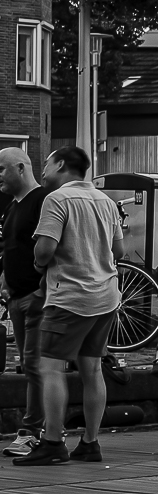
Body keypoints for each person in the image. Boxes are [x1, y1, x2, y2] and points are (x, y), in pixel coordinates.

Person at [15, 147, 123, 466]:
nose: (43, 169)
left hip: (70, 297)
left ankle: (52, 442)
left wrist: (37, 265)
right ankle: (90, 442)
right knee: (91, 369)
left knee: (50, 368)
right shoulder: (106, 201)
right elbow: (119, 248)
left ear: (61, 164)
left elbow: (45, 249)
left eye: (46, 164)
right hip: (106, 296)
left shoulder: (57, 199)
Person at [0, 148, 49, 457]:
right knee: (27, 366)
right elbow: (12, 248)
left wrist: (42, 289)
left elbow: (51, 247)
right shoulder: (12, 207)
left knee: (35, 365)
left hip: (35, 297)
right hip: (16, 298)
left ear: (20, 168)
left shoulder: (42, 201)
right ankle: (32, 430)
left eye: (2, 170)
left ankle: (33, 431)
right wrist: (4, 279)